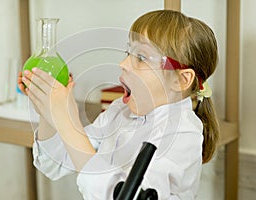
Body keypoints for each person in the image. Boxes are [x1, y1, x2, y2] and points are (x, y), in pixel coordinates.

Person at [18, 10, 220, 200]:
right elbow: (55, 163)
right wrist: (48, 111)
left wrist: (67, 123)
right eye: (128, 52)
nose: (123, 63)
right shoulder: (119, 111)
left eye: (141, 57)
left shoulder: (183, 134)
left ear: (181, 80)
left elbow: (126, 195)